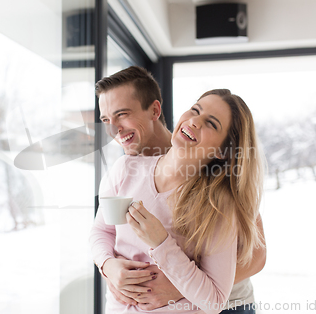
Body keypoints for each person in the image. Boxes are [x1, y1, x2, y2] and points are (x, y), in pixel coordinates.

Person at [92, 66, 266, 313]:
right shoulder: (128, 168)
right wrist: (109, 269)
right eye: (106, 120)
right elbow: (105, 231)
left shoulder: (215, 181)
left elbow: (256, 256)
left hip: (229, 304)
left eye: (122, 114)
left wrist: (174, 286)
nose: (113, 129)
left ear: (154, 110)